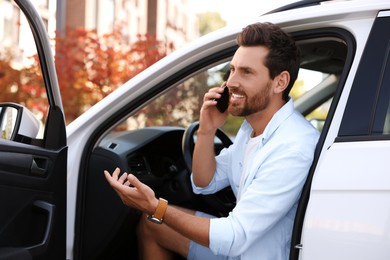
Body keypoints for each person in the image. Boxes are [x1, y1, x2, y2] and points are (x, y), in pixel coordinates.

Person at [104, 22, 320, 260]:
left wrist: (156, 206)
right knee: (153, 224)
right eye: (233, 70)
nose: (231, 82)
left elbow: (234, 238)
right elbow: (205, 182)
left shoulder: (292, 146)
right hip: (240, 247)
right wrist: (207, 130)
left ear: (280, 82)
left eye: (246, 72)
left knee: (156, 216)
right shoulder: (252, 128)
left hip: (251, 252)